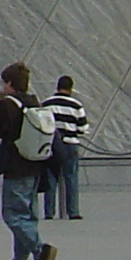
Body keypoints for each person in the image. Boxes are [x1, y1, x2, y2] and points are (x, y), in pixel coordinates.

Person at [0, 64, 57, 260]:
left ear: (9, 84)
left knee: (13, 215)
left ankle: (40, 250)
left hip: (16, 165)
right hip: (35, 164)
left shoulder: (8, 105)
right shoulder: (33, 102)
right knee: (27, 215)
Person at [38, 75, 90, 221]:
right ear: (71, 88)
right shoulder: (76, 105)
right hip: (70, 144)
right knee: (71, 177)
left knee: (51, 178)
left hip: (53, 144)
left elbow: (42, 124)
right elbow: (82, 128)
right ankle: (73, 212)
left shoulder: (47, 104)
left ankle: (49, 212)